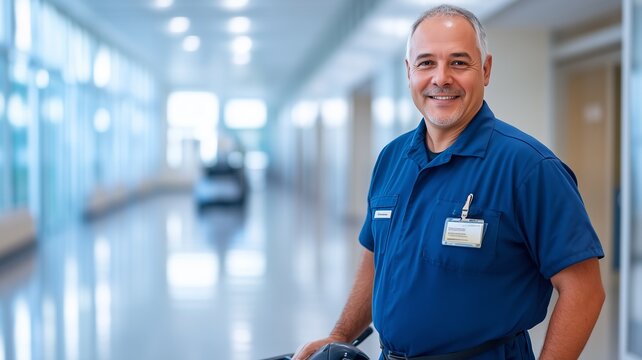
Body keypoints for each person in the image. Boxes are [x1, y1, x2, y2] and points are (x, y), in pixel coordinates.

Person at [293, 4, 605, 360]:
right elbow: (376, 258)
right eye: (426, 63)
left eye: (458, 62)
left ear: (485, 70)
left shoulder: (529, 168)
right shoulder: (391, 159)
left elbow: (584, 290)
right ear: (409, 73)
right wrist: (340, 335)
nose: (441, 78)